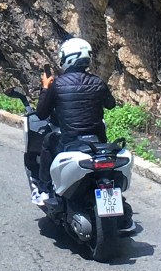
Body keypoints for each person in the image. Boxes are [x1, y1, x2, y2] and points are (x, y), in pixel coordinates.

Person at [33, 37, 116, 205]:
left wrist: (45, 87)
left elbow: (41, 114)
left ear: (67, 58)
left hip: (71, 143)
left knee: (48, 141)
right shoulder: (98, 82)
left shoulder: (58, 85)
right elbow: (111, 104)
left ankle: (44, 190)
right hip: (97, 143)